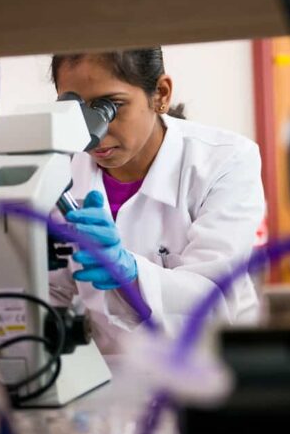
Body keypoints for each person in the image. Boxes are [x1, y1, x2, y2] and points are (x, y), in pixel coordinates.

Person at [49, 47, 265, 353]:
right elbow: (49, 292)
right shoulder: (57, 170)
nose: (90, 132)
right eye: (75, 110)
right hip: (110, 379)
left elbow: (212, 300)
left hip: (209, 369)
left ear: (160, 94)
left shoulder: (225, 161)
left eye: (109, 107)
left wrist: (131, 273)